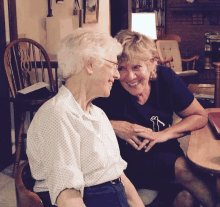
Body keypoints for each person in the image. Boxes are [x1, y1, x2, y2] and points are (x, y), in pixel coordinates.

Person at [93, 30, 217, 207]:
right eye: (121, 68)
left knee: (187, 199)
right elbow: (77, 119)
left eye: (136, 67)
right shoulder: (109, 87)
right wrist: (113, 125)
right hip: (130, 162)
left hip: (167, 152)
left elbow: (199, 116)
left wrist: (164, 134)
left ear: (152, 64)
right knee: (184, 168)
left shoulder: (165, 78)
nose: (129, 77)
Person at [26, 28, 145, 207]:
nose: (117, 75)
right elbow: (68, 198)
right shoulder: (58, 115)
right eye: (113, 65)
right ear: (89, 65)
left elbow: (120, 176)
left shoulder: (97, 114)